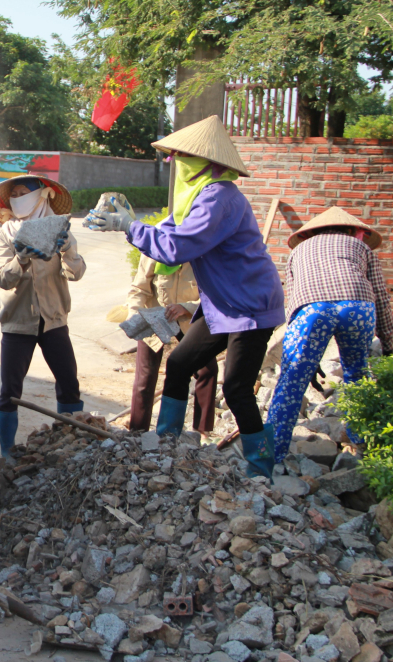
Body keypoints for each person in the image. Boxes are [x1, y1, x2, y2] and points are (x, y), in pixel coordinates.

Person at [87, 115, 284, 479]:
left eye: (180, 157)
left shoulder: (219, 198)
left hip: (250, 305)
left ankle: (262, 468)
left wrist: (129, 226)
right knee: (179, 365)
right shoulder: (199, 197)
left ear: (206, 164)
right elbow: (170, 229)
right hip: (221, 304)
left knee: (236, 387)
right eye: (173, 157)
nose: (175, 164)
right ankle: (167, 445)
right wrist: (125, 222)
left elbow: (176, 247)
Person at [267, 207, 393, 464]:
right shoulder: (362, 248)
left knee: (290, 383)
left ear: (311, 233)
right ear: (353, 231)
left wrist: (305, 359)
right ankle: (361, 446)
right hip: (357, 307)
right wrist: (389, 344)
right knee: (357, 374)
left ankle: (271, 455)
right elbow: (380, 296)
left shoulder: (298, 251)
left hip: (311, 311)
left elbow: (293, 304)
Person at [0, 175, 86, 459]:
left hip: (54, 320)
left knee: (69, 384)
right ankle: (8, 452)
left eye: (24, 193)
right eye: (14, 194)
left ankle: (69, 442)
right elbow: (2, 279)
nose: (18, 198)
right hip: (19, 322)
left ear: (42, 195)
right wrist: (20, 259)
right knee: (10, 390)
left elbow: (75, 273)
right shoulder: (4, 234)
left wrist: (68, 249)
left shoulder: (58, 228)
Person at [125, 251, 218, 433]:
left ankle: (202, 431)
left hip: (188, 318)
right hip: (154, 314)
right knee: (146, 374)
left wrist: (187, 307)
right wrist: (134, 315)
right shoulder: (155, 251)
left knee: (207, 369)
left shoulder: (204, 253)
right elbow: (139, 289)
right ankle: (137, 431)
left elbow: (213, 295)